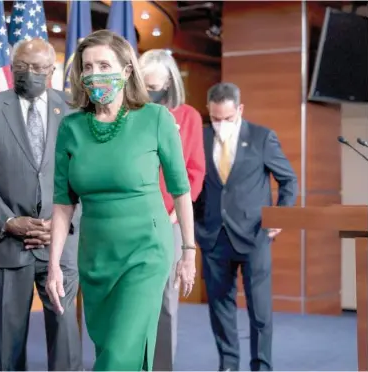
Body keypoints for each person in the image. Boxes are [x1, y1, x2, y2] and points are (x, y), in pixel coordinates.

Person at [45, 29, 197, 371]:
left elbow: (180, 190)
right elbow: (62, 204)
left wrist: (188, 250)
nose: (95, 74)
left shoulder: (156, 119)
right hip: (96, 255)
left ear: (127, 70)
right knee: (114, 347)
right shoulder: (71, 128)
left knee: (118, 356)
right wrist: (54, 264)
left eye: (104, 64)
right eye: (88, 66)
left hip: (146, 251)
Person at [0, 38, 82, 371]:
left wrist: (60, 227)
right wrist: (8, 221)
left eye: (38, 68)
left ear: (52, 70)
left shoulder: (73, 110)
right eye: (22, 66)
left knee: (65, 341)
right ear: (11, 65)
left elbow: (83, 178)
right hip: (7, 245)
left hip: (59, 246)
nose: (29, 73)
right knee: (7, 344)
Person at [195, 83, 298, 371]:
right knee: (220, 308)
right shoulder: (200, 138)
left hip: (254, 236)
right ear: (209, 111)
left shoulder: (262, 137)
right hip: (214, 235)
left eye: (227, 118)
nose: (221, 125)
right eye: (215, 119)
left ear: (239, 110)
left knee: (260, 311)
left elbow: (288, 180)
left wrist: (281, 215)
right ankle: (228, 364)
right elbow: (191, 184)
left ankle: (261, 366)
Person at [138, 49, 206, 371]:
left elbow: (194, 172)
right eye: (145, 85)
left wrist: (177, 214)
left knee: (166, 301)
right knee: (132, 300)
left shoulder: (188, 116)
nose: (151, 92)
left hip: (171, 219)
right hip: (133, 218)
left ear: (170, 82)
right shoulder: (131, 113)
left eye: (156, 86)